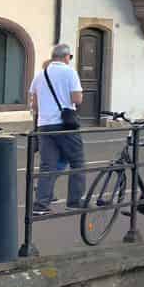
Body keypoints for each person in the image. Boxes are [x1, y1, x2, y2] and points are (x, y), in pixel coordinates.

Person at [30, 43, 87, 216]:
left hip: (44, 125)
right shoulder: (69, 72)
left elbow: (34, 104)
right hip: (64, 125)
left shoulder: (40, 75)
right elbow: (77, 99)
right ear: (67, 57)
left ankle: (41, 204)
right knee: (77, 161)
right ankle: (74, 202)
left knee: (47, 165)